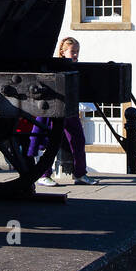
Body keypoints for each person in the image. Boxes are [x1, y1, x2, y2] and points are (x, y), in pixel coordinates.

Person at [31, 36, 94, 186]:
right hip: (54, 109)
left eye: (77, 51)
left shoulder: (75, 67)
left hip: (69, 109)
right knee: (49, 141)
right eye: (72, 51)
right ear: (62, 51)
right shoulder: (56, 66)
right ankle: (44, 174)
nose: (76, 55)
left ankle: (80, 173)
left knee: (78, 139)